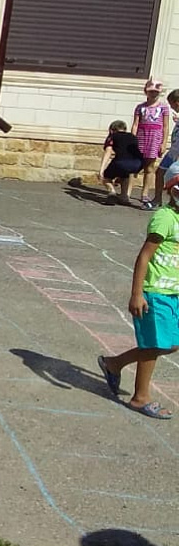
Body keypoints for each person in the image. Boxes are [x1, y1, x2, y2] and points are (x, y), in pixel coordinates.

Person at [96, 163, 179, 420]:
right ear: (174, 191)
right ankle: (140, 397)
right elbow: (144, 256)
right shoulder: (165, 218)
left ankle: (114, 363)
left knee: (171, 344)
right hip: (155, 292)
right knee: (154, 345)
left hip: (173, 292)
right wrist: (137, 293)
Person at [131, 77, 169, 209]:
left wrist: (163, 142)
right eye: (151, 91)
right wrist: (133, 139)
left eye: (156, 92)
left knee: (150, 167)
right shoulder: (140, 107)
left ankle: (145, 193)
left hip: (155, 137)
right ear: (146, 92)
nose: (153, 94)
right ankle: (127, 191)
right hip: (142, 135)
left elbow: (165, 126)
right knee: (135, 165)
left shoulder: (163, 108)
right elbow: (135, 124)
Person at [100, 119, 144, 205]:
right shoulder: (133, 136)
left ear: (111, 130)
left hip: (121, 162)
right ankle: (124, 197)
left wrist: (101, 170)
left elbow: (108, 151)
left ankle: (112, 192)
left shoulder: (113, 136)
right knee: (125, 176)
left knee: (106, 177)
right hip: (138, 163)